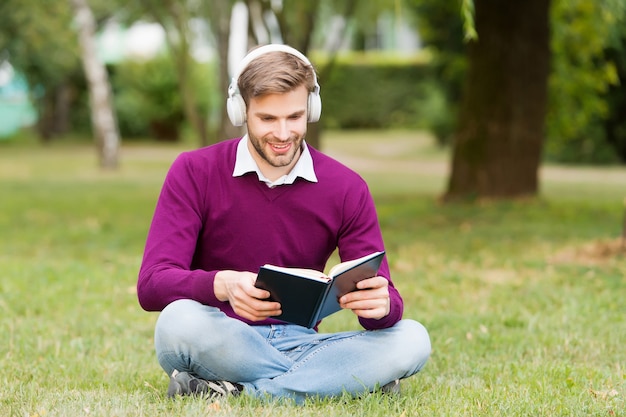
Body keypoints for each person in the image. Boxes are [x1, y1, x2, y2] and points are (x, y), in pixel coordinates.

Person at [137, 43, 431, 404]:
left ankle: (242, 392)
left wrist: (383, 307)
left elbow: (383, 294)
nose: (282, 134)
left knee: (412, 339)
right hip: (221, 334)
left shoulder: (347, 187)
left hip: (302, 339)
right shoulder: (194, 171)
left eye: (294, 117)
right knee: (177, 321)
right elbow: (152, 284)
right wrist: (222, 285)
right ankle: (338, 381)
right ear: (240, 111)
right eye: (267, 119)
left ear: (312, 109)